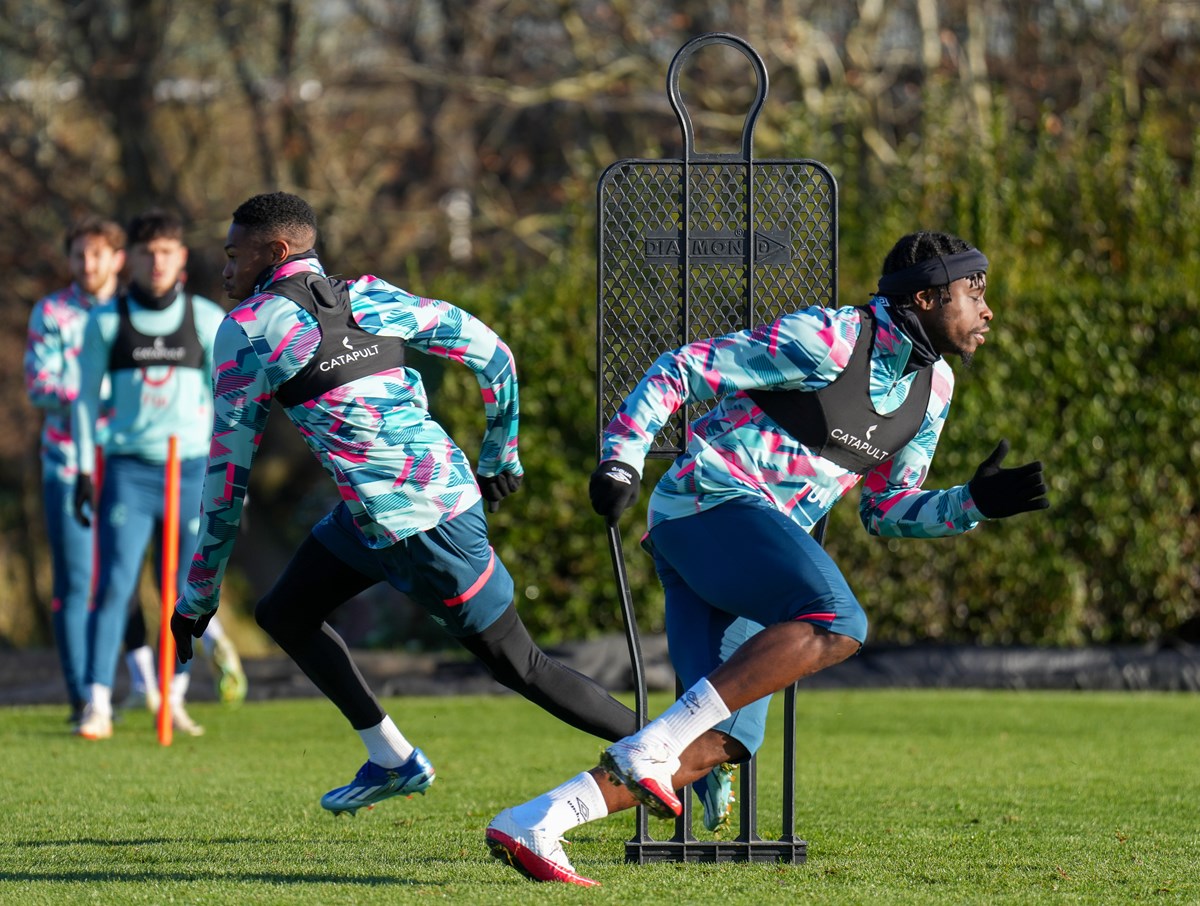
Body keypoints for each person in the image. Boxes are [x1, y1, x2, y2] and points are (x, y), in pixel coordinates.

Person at [485, 230, 1051, 886]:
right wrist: (622, 455)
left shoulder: (936, 389)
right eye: (972, 293)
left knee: (718, 744)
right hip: (708, 503)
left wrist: (974, 502)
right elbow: (682, 367)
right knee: (838, 622)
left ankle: (538, 820)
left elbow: (885, 510)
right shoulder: (831, 339)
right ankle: (649, 745)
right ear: (924, 298)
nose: (987, 311)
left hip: (748, 542)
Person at [170, 191, 636, 816]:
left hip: (422, 528)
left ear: (274, 252)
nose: (225, 271)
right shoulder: (370, 294)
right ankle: (392, 758)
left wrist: (196, 599)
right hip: (386, 513)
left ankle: (673, 750)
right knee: (285, 611)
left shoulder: (248, 331)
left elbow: (226, 483)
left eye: (233, 256)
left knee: (521, 665)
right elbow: (494, 354)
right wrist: (501, 454)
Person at [71, 209, 235, 740]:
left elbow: (230, 403)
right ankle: (97, 702)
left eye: (167, 250)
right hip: (127, 470)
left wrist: (230, 479)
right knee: (115, 585)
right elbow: (81, 402)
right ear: (131, 259)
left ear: (181, 256)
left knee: (183, 592)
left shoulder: (206, 318)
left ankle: (175, 697)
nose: (157, 260)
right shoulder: (106, 322)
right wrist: (81, 469)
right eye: (147, 251)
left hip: (189, 472)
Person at [24, 217, 126, 724]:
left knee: (121, 578)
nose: (88, 264)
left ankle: (124, 686)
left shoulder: (132, 313)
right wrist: (96, 394)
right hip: (67, 462)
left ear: (117, 259)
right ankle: (82, 695)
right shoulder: (52, 312)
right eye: (79, 254)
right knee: (76, 580)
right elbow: (40, 384)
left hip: (127, 462)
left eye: (98, 254)